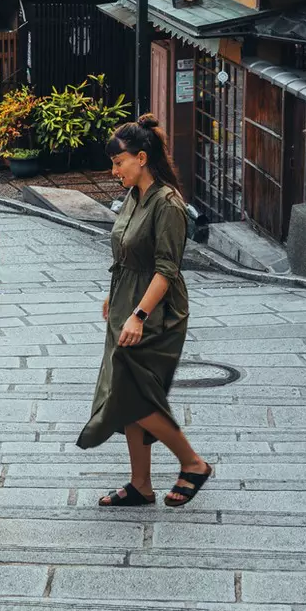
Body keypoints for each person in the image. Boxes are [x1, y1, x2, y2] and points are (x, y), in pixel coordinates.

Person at [78, 113, 213, 508]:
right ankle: (141, 484)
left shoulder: (167, 204)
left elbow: (167, 269)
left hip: (155, 310)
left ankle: (193, 464)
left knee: (133, 394)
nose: (114, 169)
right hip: (126, 298)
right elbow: (125, 251)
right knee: (127, 393)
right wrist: (114, 294)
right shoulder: (134, 197)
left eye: (118, 162)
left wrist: (138, 315)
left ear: (141, 157)